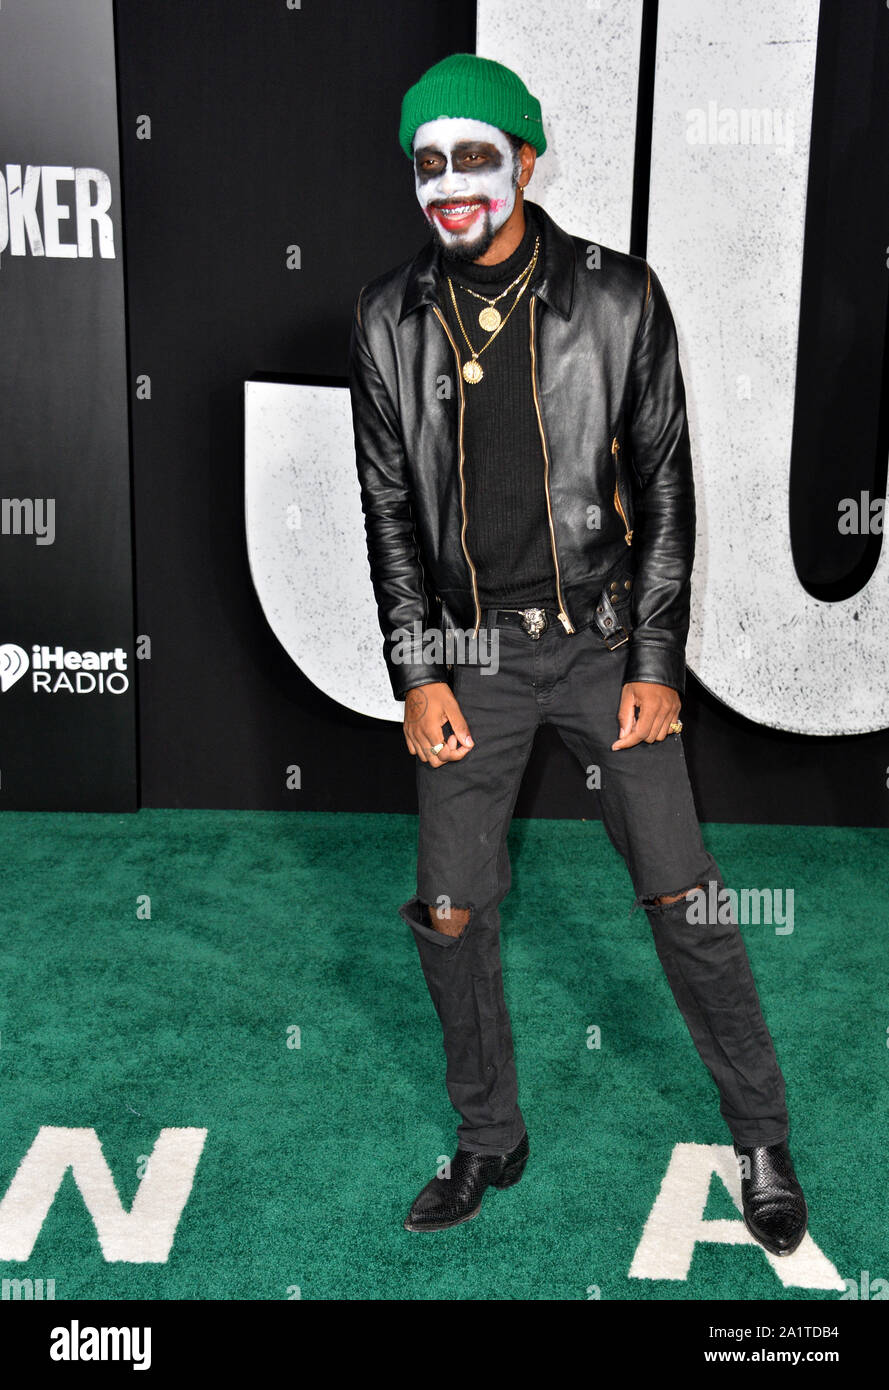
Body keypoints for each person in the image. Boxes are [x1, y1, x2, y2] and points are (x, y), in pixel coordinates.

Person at [348, 52, 807, 1254]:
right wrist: (419, 671)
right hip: (468, 652)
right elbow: (389, 513)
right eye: (427, 163)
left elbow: (666, 492)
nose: (449, 185)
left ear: (526, 160)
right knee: (451, 908)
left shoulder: (617, 298)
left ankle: (758, 1130)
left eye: (473, 157)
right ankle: (489, 1135)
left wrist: (656, 664)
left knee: (684, 892)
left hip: (608, 645)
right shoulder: (386, 320)